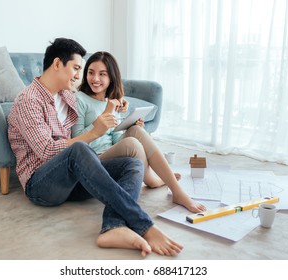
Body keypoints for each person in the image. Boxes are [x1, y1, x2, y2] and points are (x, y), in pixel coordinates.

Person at [7, 38, 183, 257]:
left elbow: (96, 100)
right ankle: (144, 225)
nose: (79, 76)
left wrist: (118, 103)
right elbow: (47, 151)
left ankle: (113, 226)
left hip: (73, 181)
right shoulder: (28, 100)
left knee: (132, 164)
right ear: (57, 64)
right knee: (80, 149)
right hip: (42, 185)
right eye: (76, 68)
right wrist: (94, 132)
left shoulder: (66, 95)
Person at [72, 51, 206, 213]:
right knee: (132, 142)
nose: (95, 79)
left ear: (112, 77)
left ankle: (175, 190)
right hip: (93, 158)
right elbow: (77, 143)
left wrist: (129, 126)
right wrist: (104, 117)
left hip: (112, 154)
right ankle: (154, 181)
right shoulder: (79, 99)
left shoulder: (112, 102)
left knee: (136, 131)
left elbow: (115, 139)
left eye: (102, 74)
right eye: (91, 73)